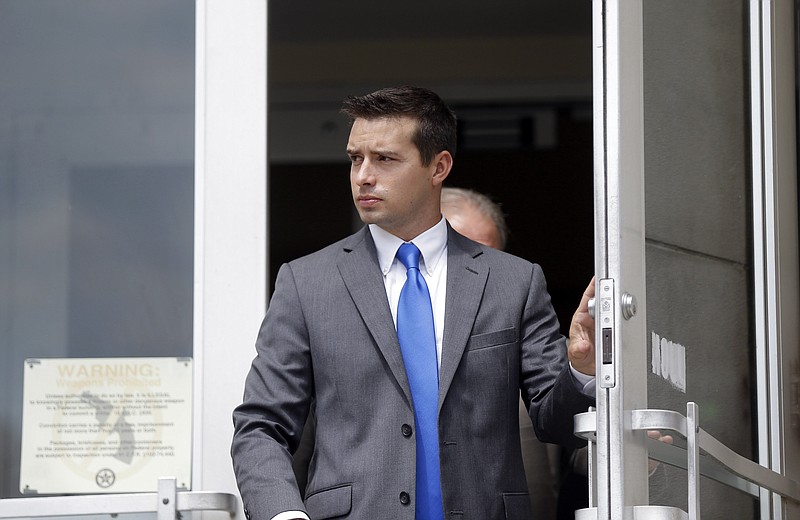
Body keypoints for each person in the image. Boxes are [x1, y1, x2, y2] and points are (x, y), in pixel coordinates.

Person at [231, 85, 597, 520]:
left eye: (384, 159)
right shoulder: (306, 283)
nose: (363, 175)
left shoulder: (513, 282)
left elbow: (555, 422)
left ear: (438, 166)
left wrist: (581, 368)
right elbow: (260, 427)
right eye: (355, 158)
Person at [440, 186, 560, 519]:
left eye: (486, 257)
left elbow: (578, 443)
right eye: (461, 253)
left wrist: (642, 458)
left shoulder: (532, 359)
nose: (474, 274)